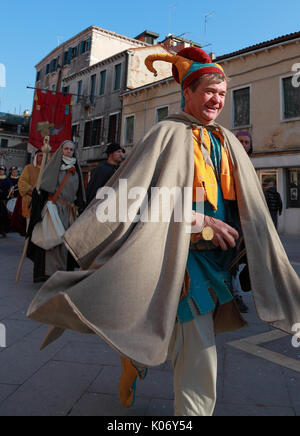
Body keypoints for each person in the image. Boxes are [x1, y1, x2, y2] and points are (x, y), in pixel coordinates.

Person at [27, 48, 300, 416]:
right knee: (200, 356)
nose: (217, 100)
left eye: (222, 94)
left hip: (215, 260)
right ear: (187, 92)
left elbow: (247, 203)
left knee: (171, 330)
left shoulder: (228, 141)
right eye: (208, 91)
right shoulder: (165, 134)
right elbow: (129, 202)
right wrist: (198, 221)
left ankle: (133, 355)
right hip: (178, 259)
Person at [27, 140, 86, 283]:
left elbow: (79, 192)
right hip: (54, 209)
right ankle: (49, 273)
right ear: (61, 150)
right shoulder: (53, 167)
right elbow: (42, 188)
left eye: (71, 149)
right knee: (52, 240)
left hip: (69, 210)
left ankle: (64, 272)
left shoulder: (76, 169)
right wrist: (39, 192)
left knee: (66, 242)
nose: (68, 151)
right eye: (66, 149)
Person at [18, 151, 43, 229]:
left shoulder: (47, 170)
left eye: (44, 156)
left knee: (41, 226)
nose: (42, 157)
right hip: (30, 200)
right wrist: (33, 192)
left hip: (42, 201)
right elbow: (22, 183)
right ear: (36, 157)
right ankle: (28, 241)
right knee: (30, 225)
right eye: (40, 155)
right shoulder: (28, 168)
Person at [0, 165, 10, 238]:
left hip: (4, 199)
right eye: (0, 170)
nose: (1, 171)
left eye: (2, 170)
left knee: (3, 215)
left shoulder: (7, 179)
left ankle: (3, 230)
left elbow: (11, 187)